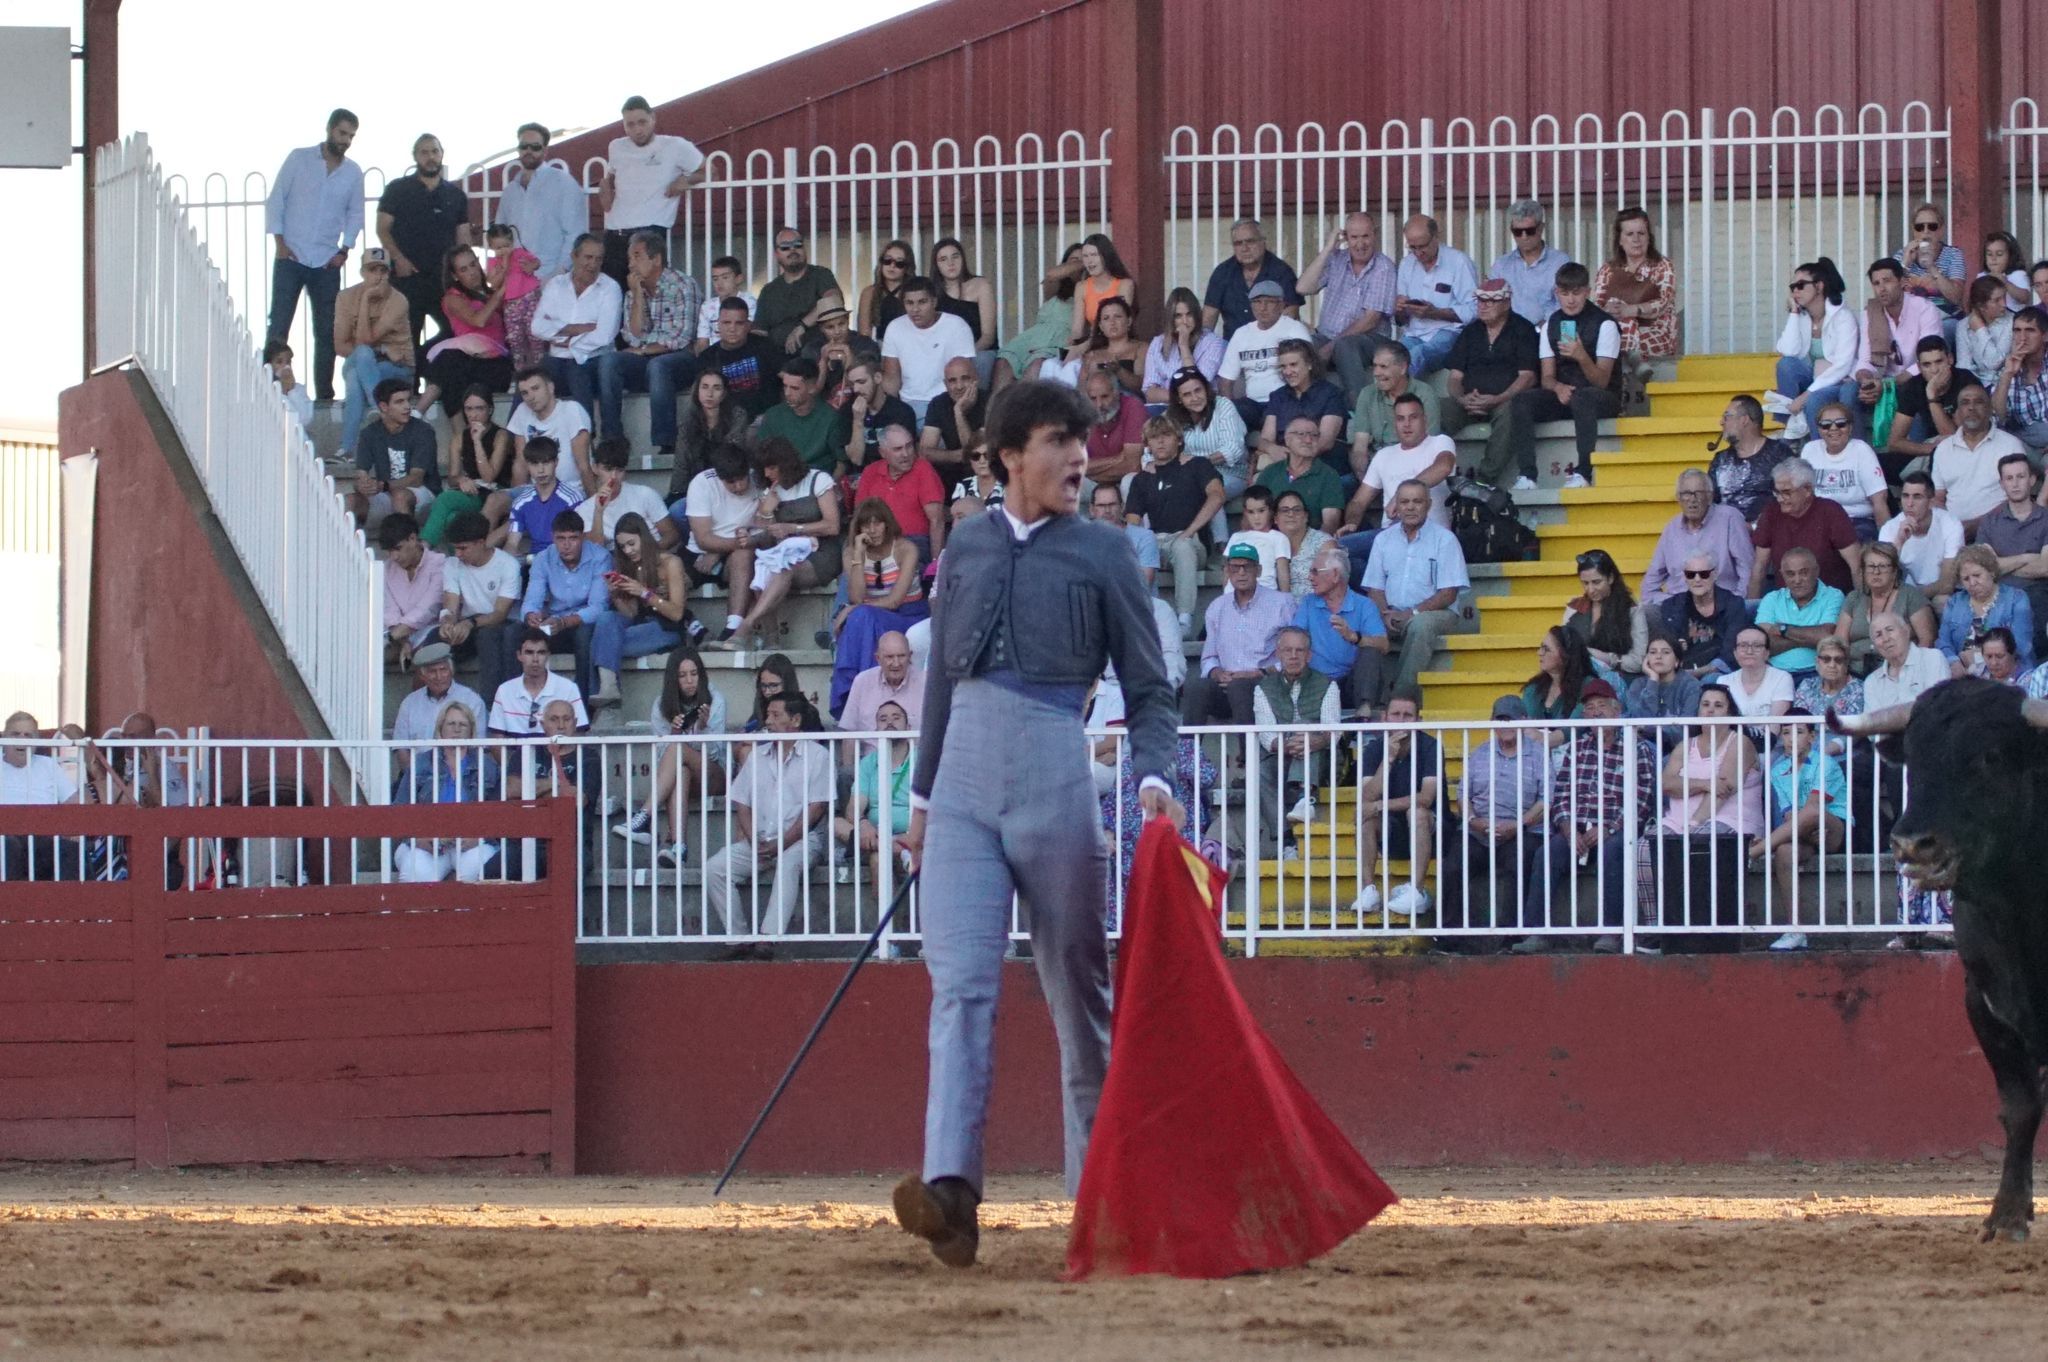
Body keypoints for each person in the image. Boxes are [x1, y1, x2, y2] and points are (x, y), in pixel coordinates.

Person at [891, 380, 1180, 1267]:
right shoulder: (969, 545)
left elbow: (1149, 683)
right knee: (961, 985)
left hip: (1057, 762)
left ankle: (1095, 1193)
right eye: (1060, 441)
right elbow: (940, 684)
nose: (1079, 457)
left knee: (1076, 993)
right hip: (967, 779)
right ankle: (952, 1192)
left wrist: (1156, 772)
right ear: (1010, 454)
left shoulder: (1104, 552)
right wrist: (922, 799)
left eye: (1083, 442)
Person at [1513, 679, 1658, 955]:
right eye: (1589, 708)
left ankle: (1611, 932)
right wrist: (1568, 828)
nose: (1595, 713)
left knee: (1613, 852)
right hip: (1577, 826)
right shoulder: (1577, 747)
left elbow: (1642, 799)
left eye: (1601, 706)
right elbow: (1562, 794)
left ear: (1617, 711)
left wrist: (1610, 829)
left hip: (1616, 827)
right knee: (1547, 853)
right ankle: (1536, 932)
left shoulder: (1636, 747)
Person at [703, 692, 834, 942]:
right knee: (715, 868)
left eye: (776, 715)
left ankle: (768, 937)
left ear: (795, 720)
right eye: (768, 714)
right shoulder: (756, 756)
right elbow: (741, 801)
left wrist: (781, 844)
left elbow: (817, 809)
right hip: (761, 840)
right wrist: (754, 839)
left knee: (788, 862)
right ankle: (738, 938)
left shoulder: (818, 755)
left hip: (803, 841)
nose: (768, 721)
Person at [264, 108, 363, 403]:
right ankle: (268, 389)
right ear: (330, 129)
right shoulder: (299, 159)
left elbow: (356, 213)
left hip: (326, 261)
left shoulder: (353, 172)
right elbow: (276, 200)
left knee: (326, 331)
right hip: (291, 256)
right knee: (279, 324)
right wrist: (280, 243)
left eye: (351, 136)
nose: (346, 140)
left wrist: (345, 249)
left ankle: (324, 396)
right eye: (342, 133)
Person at [1439, 695, 1551, 943]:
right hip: (1479, 830)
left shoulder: (1539, 754)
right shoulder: (1480, 753)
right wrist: (1472, 821)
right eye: (1500, 719)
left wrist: (1519, 824)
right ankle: (1449, 937)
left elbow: (1545, 800)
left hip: (1523, 829)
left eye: (1510, 719)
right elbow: (1463, 794)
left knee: (1519, 865)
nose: (1505, 725)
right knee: (1453, 867)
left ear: (1524, 721)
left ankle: (1511, 936)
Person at [1512, 261, 1624, 490]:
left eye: (1576, 293)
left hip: (1601, 396)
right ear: (1557, 293)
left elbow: (1603, 381)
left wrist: (1582, 356)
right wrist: (1558, 388)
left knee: (1583, 398)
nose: (1571, 300)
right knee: (1521, 401)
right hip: (1565, 395)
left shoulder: (1605, 325)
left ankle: (1584, 472)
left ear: (1587, 292)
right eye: (1565, 293)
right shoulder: (1550, 324)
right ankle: (1527, 475)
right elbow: (1547, 377)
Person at [721, 437, 841, 650]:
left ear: (786, 464)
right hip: (786, 551)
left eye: (772, 467)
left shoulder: (818, 480)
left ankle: (745, 628)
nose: (767, 473)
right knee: (766, 566)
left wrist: (793, 528)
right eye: (764, 468)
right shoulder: (772, 491)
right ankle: (771, 640)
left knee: (782, 568)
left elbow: (832, 526)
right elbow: (766, 533)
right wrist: (766, 513)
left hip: (821, 552)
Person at [614, 647, 728, 868]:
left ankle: (644, 817)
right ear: (673, 679)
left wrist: (700, 729)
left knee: (677, 750)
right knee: (680, 771)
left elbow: (716, 751)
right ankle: (679, 847)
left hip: (714, 773)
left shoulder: (716, 700)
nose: (689, 681)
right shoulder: (661, 705)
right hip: (683, 774)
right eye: (682, 675)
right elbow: (662, 760)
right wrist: (676, 733)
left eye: (694, 674)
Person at [592, 230, 700, 454]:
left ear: (657, 259)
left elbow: (681, 338)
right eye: (630, 257)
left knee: (659, 365)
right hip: (648, 359)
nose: (630, 264)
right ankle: (612, 437)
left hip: (682, 362)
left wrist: (645, 349)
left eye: (637, 256)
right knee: (609, 362)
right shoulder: (633, 291)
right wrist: (638, 296)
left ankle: (666, 442)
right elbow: (632, 336)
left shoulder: (682, 285)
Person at [1750, 711, 1851, 951]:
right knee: (1784, 851)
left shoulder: (1825, 763)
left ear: (1812, 737)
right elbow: (1789, 816)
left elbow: (1814, 809)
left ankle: (1755, 851)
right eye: (1786, 732)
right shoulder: (1778, 770)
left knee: (1812, 812)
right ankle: (1795, 930)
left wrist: (1808, 827)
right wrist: (1805, 831)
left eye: (1798, 732)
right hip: (1804, 833)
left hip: (1833, 829)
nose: (1791, 738)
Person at [1362, 479, 1469, 695]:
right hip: (1390, 611)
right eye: (1404, 502)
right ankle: (1364, 701)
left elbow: (1448, 594)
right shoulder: (1383, 540)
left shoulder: (1445, 540)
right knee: (1359, 624)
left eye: (1417, 501)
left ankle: (1402, 699)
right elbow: (1375, 588)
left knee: (1420, 626)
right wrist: (1385, 615)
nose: (1410, 507)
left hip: (1437, 613)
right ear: (1397, 506)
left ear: (1429, 505)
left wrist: (1411, 613)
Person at [1343, 688, 1439, 919]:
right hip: (1391, 831)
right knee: (1366, 816)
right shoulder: (1375, 748)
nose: (1401, 720)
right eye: (1396, 714)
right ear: (1384, 718)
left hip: (1432, 832)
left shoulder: (1430, 746)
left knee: (1416, 812)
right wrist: (1389, 759)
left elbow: (1426, 798)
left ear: (1419, 720)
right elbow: (1367, 797)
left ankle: (1415, 892)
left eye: (1408, 715)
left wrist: (1378, 806)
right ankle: (1368, 891)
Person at [829, 499, 929, 715]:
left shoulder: (906, 548)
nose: (872, 530)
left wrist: (853, 609)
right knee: (862, 617)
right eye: (866, 525)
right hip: (871, 616)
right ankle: (862, 698)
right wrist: (857, 554)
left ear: (887, 524)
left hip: (908, 614)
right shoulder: (851, 552)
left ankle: (858, 696)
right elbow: (856, 596)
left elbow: (895, 600)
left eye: (877, 523)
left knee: (860, 616)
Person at [1127, 416, 1225, 635]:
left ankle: (1184, 620)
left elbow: (1217, 496)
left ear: (1179, 440)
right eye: (1154, 437)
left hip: (1191, 541)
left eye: (1166, 435)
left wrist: (1189, 532)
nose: (1160, 442)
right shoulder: (1142, 479)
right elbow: (1132, 522)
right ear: (1147, 444)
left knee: (1182, 547)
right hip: (1157, 542)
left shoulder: (1197, 465)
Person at [1443, 277, 1541, 487]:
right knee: (1434, 409)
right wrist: (1461, 399)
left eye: (1490, 301)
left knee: (1512, 411)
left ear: (1506, 303)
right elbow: (1455, 377)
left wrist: (1498, 398)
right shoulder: (1470, 331)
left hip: (1504, 399)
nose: (1483, 306)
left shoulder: (1523, 329)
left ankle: (1482, 481)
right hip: (1469, 401)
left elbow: (1528, 377)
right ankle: (1424, 474)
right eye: (1480, 301)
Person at [375, 133, 469, 353]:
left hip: (443, 281)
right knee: (406, 339)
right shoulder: (397, 189)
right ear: (415, 156)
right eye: (424, 152)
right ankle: (410, 385)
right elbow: (382, 228)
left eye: (435, 151)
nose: (430, 157)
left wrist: (463, 274)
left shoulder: (455, 195)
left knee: (455, 332)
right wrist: (399, 259)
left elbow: (463, 238)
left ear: (442, 154)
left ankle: (430, 365)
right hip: (407, 279)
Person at [389, 702, 500, 884]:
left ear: (471, 731)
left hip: (471, 841)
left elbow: (498, 812)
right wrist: (417, 838)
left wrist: (480, 836)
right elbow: (400, 809)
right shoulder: (421, 764)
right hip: (427, 842)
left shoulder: (487, 766)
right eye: (451, 724)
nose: (456, 729)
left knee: (475, 871)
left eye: (462, 725)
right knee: (414, 875)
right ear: (440, 729)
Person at [598, 96, 704, 286]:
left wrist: (685, 181)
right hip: (615, 234)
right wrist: (606, 188)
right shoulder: (616, 147)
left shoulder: (675, 146)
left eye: (642, 122)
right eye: (630, 125)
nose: (637, 130)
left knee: (649, 294)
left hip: (650, 233)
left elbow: (708, 170)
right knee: (613, 297)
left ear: (653, 118)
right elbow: (611, 178)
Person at [1185, 542, 1292, 727]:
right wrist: (1217, 673)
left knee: (1240, 687)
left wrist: (1259, 673)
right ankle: (1188, 754)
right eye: (1235, 567)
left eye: (1247, 567)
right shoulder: (1217, 607)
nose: (1241, 573)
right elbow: (1209, 658)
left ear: (1258, 570)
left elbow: (1293, 655)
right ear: (1227, 571)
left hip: (1268, 685)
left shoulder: (1282, 603)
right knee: (1196, 687)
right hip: (1228, 687)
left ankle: (1245, 756)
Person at [1298, 212, 1396, 400]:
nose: (1360, 244)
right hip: (1326, 335)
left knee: (1344, 345)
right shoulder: (1337, 259)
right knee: (1299, 349)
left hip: (1369, 340)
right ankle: (1306, 406)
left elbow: (1370, 320)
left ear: (1375, 235)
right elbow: (1303, 287)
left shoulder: (1383, 267)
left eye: (1365, 236)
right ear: (1346, 238)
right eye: (1354, 237)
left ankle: (1359, 406)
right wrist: (1328, 249)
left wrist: (1330, 347)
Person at [521, 508, 614, 704]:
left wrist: (565, 622)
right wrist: (531, 615)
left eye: (573, 538)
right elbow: (532, 599)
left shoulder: (600, 557)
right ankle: (516, 702)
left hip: (582, 624)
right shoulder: (543, 558)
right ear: (552, 538)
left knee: (584, 635)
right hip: (553, 623)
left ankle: (584, 707)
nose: (566, 545)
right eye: (561, 538)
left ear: (583, 537)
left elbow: (599, 607)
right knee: (516, 633)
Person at [532, 234, 624, 420]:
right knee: (532, 378)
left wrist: (562, 337)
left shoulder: (610, 287)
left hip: (593, 359)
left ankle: (588, 435)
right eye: (588, 257)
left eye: (598, 258)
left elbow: (605, 336)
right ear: (574, 256)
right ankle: (512, 436)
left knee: (577, 368)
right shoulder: (556, 284)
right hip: (557, 361)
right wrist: (575, 329)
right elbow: (537, 326)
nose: (593, 264)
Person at [1294, 542, 1388, 716]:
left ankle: (1363, 713)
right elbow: (1295, 637)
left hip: (1351, 683)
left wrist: (1354, 637)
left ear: (1335, 575)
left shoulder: (1364, 605)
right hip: (1316, 682)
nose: (1310, 577)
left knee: (1371, 651)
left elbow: (1383, 644)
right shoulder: (1308, 603)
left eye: (1315, 571)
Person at [420, 245, 512, 421]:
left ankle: (421, 412)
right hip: (467, 362)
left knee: (451, 365)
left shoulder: (490, 294)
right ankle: (427, 416)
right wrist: (499, 294)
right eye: (464, 269)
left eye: (473, 264)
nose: (472, 272)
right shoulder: (452, 298)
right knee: (451, 361)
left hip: (496, 365)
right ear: (455, 275)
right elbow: (478, 320)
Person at [595, 510, 693, 676]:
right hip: (640, 625)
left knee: (603, 643)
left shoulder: (671, 563)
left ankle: (607, 690)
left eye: (631, 543)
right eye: (622, 547)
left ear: (644, 537)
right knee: (606, 620)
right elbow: (631, 614)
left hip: (666, 628)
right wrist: (616, 595)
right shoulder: (629, 565)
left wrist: (644, 593)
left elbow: (676, 613)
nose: (628, 550)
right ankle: (608, 688)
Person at [1852, 258, 1942, 436]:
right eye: (1876, 283)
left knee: (1913, 390)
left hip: (1915, 379)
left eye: (1887, 281)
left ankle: (1912, 457)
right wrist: (1866, 382)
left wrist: (1889, 384)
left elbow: (1929, 360)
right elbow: (1865, 360)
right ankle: (1859, 453)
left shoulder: (1925, 309)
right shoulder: (1870, 313)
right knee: (1849, 391)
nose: (1882, 288)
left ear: (1901, 281)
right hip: (1883, 379)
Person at [333, 249, 414, 446]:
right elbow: (340, 346)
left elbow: (365, 339)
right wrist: (366, 299)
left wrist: (371, 352)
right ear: (362, 272)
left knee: (355, 377)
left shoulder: (398, 300)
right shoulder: (345, 297)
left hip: (398, 368)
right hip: (369, 359)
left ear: (389, 274)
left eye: (383, 271)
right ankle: (378, 407)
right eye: (372, 270)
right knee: (362, 355)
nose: (378, 276)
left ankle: (347, 449)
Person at [437, 512, 522, 700]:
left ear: (481, 542)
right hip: (469, 623)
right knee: (433, 640)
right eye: (455, 549)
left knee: (488, 636)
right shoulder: (452, 564)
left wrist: (469, 624)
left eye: (463, 548)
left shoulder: (507, 565)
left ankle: (490, 705)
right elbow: (450, 606)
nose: (458, 554)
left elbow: (500, 613)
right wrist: (447, 622)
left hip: (500, 623)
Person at [1749, 457, 1861, 598]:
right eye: (1777, 492)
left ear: (1807, 489)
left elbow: (1856, 566)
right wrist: (1750, 609)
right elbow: (1759, 568)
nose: (1780, 499)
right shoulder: (1771, 513)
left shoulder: (1831, 512)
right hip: (1786, 603)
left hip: (1828, 602)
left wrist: (1858, 610)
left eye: (1786, 492)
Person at [1772, 257, 1861, 434]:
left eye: (1801, 285)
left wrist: (1806, 395)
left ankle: (1815, 448)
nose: (1795, 291)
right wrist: (1794, 313)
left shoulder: (1843, 318)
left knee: (1813, 401)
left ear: (1819, 286)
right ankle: (1791, 426)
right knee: (1785, 364)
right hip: (1814, 378)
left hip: (1838, 381)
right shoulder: (1803, 317)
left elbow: (1842, 366)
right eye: (1793, 287)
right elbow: (1787, 351)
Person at [682, 443, 761, 639]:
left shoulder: (759, 480)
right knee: (665, 578)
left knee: (744, 555)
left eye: (742, 479)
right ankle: (695, 628)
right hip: (698, 553)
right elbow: (702, 539)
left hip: (735, 555)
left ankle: (732, 630)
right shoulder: (702, 484)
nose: (739, 486)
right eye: (731, 482)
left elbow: (765, 530)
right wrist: (717, 549)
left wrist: (718, 552)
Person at [1641, 470, 1755, 603]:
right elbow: (1651, 581)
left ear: (1710, 497)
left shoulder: (1729, 519)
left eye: (1698, 493)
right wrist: (1669, 602)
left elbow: (1748, 570)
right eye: (1686, 494)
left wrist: (1735, 604)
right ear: (1678, 498)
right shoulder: (1671, 528)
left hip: (1721, 607)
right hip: (1679, 608)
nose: (1692, 500)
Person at [837, 699, 917, 888]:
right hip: (875, 835)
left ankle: (894, 845)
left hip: (913, 833)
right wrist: (863, 824)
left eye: (896, 717)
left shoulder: (921, 760)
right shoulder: (869, 763)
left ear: (908, 726)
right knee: (836, 824)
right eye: (883, 719)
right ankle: (894, 846)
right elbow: (853, 808)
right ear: (875, 730)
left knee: (878, 858)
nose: (889, 722)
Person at [424, 386, 514, 548]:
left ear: (490, 409)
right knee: (452, 518)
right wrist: (461, 480)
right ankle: (461, 562)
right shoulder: (459, 438)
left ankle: (424, 547)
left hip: (495, 493)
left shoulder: (501, 435)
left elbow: (489, 476)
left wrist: (477, 441)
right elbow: (452, 477)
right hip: (473, 491)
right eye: (469, 409)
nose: (474, 414)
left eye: (479, 408)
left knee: (445, 498)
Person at [494, 123, 584, 283]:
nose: (528, 151)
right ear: (518, 149)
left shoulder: (563, 183)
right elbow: (500, 236)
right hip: (516, 282)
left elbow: (575, 234)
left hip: (551, 278)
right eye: (524, 146)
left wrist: (558, 275)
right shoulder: (510, 192)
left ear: (545, 150)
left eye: (535, 147)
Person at [1933, 383, 2027, 534]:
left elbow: (2019, 497)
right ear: (1957, 412)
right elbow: (1938, 498)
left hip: (2000, 530)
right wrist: (1953, 528)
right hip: (1954, 534)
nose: (1971, 408)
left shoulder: (2011, 445)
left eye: (1978, 402)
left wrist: (1978, 524)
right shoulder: (1943, 449)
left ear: (1990, 409)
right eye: (1965, 403)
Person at [882, 277, 978, 424]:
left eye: (922, 302)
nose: (915, 309)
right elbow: (892, 380)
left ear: (934, 302)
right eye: (909, 303)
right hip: (907, 405)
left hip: (946, 402)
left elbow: (965, 376)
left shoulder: (957, 326)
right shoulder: (895, 328)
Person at [1217, 281, 1316, 423]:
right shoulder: (1241, 333)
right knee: (1230, 415)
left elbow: (1308, 371)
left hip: (1286, 400)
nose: (1262, 308)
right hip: (1252, 403)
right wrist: (1228, 410)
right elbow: (1226, 380)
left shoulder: (1294, 329)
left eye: (1269, 302)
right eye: (1257, 302)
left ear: (1282, 305)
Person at [1976, 450, 2048, 643]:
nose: (2015, 483)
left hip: (2038, 596)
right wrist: (2027, 557)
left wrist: (2001, 566)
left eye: (2020, 476)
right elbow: (1986, 568)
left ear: (2032, 480)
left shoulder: (2046, 518)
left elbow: (2044, 567)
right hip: (1996, 596)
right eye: (2009, 478)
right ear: (2002, 484)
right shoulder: (1989, 522)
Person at [1834, 540, 1936, 673]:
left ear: (1894, 572)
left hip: (1900, 671)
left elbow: (1926, 641)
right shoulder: (1854, 598)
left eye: (1883, 566)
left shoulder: (1910, 596)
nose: (1876, 572)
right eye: (1871, 566)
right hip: (1855, 673)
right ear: (1863, 571)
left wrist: (1909, 672)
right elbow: (1840, 642)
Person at [1392, 214, 1477, 376]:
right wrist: (1401, 309)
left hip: (1449, 333)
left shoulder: (1458, 261)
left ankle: (1397, 399)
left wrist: (1434, 313)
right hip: (1413, 333)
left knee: (1415, 356)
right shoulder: (1406, 264)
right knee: (1389, 359)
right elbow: (1400, 321)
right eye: (1412, 247)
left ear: (1436, 237)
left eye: (1422, 246)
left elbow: (1474, 311)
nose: (1418, 252)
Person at [349, 379, 440, 527]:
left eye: (408, 400)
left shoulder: (423, 431)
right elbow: (360, 475)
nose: (407, 407)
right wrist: (362, 486)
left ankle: (407, 544)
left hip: (423, 493)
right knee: (351, 501)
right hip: (386, 492)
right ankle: (351, 548)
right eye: (399, 402)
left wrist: (382, 486)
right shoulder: (369, 433)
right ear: (384, 407)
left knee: (400, 496)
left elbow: (416, 479)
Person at [991, 243, 1083, 386]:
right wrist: (1081, 263)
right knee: (1004, 361)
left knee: (1036, 364)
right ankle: (995, 408)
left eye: (1082, 259)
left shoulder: (1089, 290)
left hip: (1060, 339)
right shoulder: (1056, 289)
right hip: (1034, 336)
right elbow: (1051, 275)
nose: (1078, 264)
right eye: (1073, 260)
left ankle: (1024, 407)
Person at [1592, 207, 1679, 359]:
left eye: (1641, 233)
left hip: (1655, 336)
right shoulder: (1607, 270)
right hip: (1618, 331)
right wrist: (1614, 310)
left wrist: (1632, 310)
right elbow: (1598, 306)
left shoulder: (1662, 265)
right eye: (1630, 234)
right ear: (1620, 239)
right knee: (1621, 323)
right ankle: (1631, 366)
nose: (1636, 239)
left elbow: (1663, 303)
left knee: (1624, 325)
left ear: (1648, 238)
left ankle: (1623, 372)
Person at [1939, 543, 2036, 677]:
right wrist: (1953, 661)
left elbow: (2022, 645)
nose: (1972, 583)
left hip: (2009, 674)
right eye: (1966, 579)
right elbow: (1943, 642)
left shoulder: (2016, 598)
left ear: (1991, 571)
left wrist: (1978, 657)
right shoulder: (1954, 602)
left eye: (1977, 575)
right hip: (1964, 674)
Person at [1752, 547, 1848, 681]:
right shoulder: (1772, 599)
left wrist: (1783, 629)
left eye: (1803, 573)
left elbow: (1826, 638)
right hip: (1774, 674)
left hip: (1817, 674)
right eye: (1790, 574)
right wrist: (1808, 639)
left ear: (1816, 571)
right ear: (1782, 575)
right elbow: (1761, 646)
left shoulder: (1833, 596)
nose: (1797, 580)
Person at [1349, 340, 1444, 474]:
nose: (1376, 373)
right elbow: (1360, 447)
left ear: (1403, 368)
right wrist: (1365, 479)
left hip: (1413, 468)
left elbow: (1428, 445)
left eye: (1383, 366)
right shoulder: (1367, 393)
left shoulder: (1424, 393)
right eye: (1374, 366)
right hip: (1376, 467)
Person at [1798, 402, 1890, 538]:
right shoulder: (1810, 450)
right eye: (1826, 425)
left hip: (1857, 521)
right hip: (1818, 521)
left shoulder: (1861, 450)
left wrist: (1886, 543)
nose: (1833, 429)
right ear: (1819, 429)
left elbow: (1879, 500)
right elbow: (1800, 494)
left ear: (1850, 427)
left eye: (1841, 424)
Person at [855, 424, 948, 560]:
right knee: (849, 575)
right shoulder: (871, 472)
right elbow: (860, 518)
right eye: (898, 449)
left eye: (909, 446)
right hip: (875, 542)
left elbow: (937, 521)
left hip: (914, 542)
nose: (906, 454)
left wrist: (935, 566)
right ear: (883, 453)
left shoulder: (923, 469)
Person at [1251, 340, 1346, 473]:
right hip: (1282, 463)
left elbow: (1325, 442)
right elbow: (1266, 438)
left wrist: (1294, 460)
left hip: (1321, 464)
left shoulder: (1331, 394)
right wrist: (1272, 449)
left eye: (1293, 365)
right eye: (1283, 366)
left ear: (1309, 364)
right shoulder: (1278, 396)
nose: (1288, 372)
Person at [1880, 336, 1975, 468]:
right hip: (1932, 446)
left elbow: (1956, 439)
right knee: (1879, 464)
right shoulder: (1914, 386)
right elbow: (1895, 442)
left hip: (1967, 450)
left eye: (1939, 361)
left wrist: (1932, 395)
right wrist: (1930, 449)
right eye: (1927, 365)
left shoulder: (1966, 381)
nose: (1934, 370)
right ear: (1919, 367)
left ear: (1950, 359)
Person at [667, 368, 751, 514]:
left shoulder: (738, 416)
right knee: (674, 509)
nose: (709, 394)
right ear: (697, 391)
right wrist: (676, 494)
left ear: (724, 393)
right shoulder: (688, 421)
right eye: (704, 387)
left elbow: (731, 457)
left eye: (716, 388)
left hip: (728, 483)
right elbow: (682, 462)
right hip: (697, 487)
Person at [506, 365, 596, 501]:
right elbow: (521, 462)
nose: (530, 397)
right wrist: (516, 502)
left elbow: (583, 465)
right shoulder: (522, 411)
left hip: (570, 490)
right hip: (535, 492)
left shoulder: (572, 410)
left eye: (535, 388)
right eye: (525, 393)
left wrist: (593, 506)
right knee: (495, 500)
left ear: (550, 388)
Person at [1203, 218, 1300, 339]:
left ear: (1263, 242)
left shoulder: (1282, 271)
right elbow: (1208, 321)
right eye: (1238, 243)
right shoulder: (1222, 273)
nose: (1244, 248)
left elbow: (1291, 315)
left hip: (1273, 346)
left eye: (1250, 241)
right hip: (1232, 348)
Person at [756, 227, 847, 354]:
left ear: (804, 249)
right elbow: (759, 331)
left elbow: (833, 300)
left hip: (816, 352)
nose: (793, 250)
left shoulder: (820, 275)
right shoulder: (768, 291)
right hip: (777, 356)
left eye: (797, 245)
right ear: (776, 254)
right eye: (785, 247)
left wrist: (802, 326)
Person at [1660, 550, 1750, 680]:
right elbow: (1667, 646)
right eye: (1691, 574)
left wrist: (1703, 671)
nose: (1697, 579)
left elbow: (1731, 649)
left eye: (1704, 574)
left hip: (1719, 671)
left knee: (1711, 679)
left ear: (1715, 574)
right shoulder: (1671, 606)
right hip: (1682, 670)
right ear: (1685, 577)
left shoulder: (1733, 604)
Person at [1565, 547, 1651, 681]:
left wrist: (1606, 658)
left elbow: (1638, 662)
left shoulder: (1632, 609)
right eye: (1585, 583)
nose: (1590, 589)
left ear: (1610, 578)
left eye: (1596, 582)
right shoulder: (1574, 608)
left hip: (1620, 680)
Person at [1167, 366, 1252, 499]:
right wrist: (1150, 463)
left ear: (1206, 389)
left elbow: (1233, 448)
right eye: (1187, 394)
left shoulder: (1223, 406)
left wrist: (1195, 464)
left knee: (1204, 493)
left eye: (1198, 390)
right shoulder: (1171, 416)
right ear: (1179, 399)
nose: (1195, 398)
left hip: (1230, 474)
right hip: (1187, 476)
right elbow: (1152, 447)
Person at [1708, 395, 1797, 523]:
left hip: (1768, 538)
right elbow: (1710, 502)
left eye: (1727, 416)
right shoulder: (1720, 459)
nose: (1722, 422)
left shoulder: (1780, 454)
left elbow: (1793, 501)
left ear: (1744, 420)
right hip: (1727, 536)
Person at [487, 626, 589, 737]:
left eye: (541, 652)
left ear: (548, 655)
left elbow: (579, 733)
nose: (535, 659)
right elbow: (497, 739)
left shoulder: (568, 688)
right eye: (529, 653)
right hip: (515, 754)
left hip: (558, 753)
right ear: (519, 655)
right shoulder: (504, 690)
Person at [579, 436, 677, 551]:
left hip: (649, 555)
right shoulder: (584, 509)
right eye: (608, 469)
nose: (614, 477)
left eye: (619, 470)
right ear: (595, 468)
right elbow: (594, 550)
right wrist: (598, 511)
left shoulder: (645, 494)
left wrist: (648, 555)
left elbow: (672, 535)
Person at [1877, 471, 1964, 597]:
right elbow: (1881, 577)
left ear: (1931, 502)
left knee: (1942, 602)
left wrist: (1912, 597)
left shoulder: (1950, 524)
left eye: (1917, 497)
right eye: (1905, 496)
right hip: (1903, 596)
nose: (1909, 503)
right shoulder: (1889, 528)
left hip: (1936, 593)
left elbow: (1947, 584)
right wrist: (1899, 542)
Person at [389, 640, 486, 749]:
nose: (439, 676)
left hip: (460, 765)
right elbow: (400, 748)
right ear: (422, 676)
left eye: (443, 670)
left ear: (451, 671)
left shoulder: (471, 700)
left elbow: (479, 746)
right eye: (432, 671)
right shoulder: (410, 703)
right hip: (419, 765)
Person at [1256, 417, 1346, 533]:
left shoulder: (1328, 475)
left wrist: (1312, 546)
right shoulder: (1270, 472)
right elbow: (1254, 513)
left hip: (1310, 541)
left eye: (1314, 435)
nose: (1308, 440)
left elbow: (1330, 523)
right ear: (1287, 440)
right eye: (1301, 434)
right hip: (1272, 542)